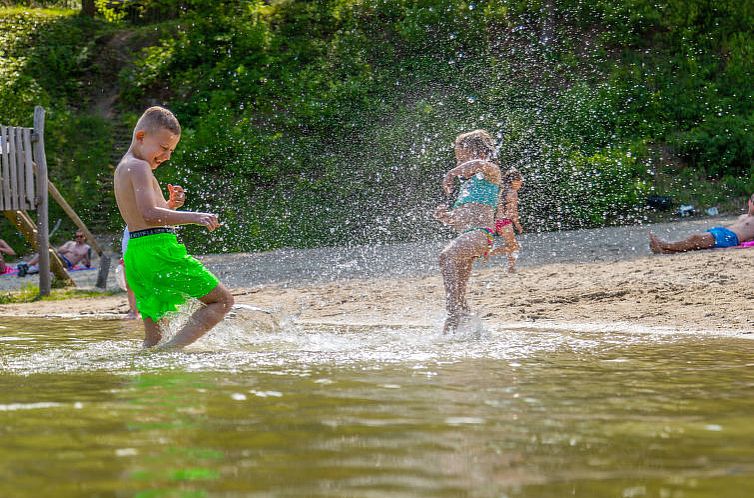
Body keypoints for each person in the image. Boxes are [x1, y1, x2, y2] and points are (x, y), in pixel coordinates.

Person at [114, 106, 234, 349]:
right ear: (141, 137)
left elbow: (143, 215)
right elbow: (149, 215)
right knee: (221, 301)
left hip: (137, 254)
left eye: (171, 151)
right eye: (164, 148)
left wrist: (170, 206)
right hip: (157, 249)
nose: (167, 156)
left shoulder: (125, 166)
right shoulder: (139, 167)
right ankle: (172, 352)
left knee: (153, 339)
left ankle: (154, 370)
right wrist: (196, 216)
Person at [434, 129, 504, 333]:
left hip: (481, 234)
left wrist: (451, 174)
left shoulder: (491, 172)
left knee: (446, 256)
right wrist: (446, 217)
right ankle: (469, 326)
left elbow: (479, 165)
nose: (458, 163)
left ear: (476, 152)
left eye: (461, 157)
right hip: (466, 235)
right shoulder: (468, 186)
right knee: (460, 291)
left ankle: (452, 313)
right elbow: (459, 221)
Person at [649, 193, 754, 253]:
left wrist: (739, 247)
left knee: (695, 239)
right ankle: (664, 250)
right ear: (749, 202)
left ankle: (665, 244)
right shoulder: (743, 217)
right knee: (695, 245)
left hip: (730, 237)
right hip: (722, 232)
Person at [487, 167, 524, 272]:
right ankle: (489, 252)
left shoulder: (502, 191)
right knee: (514, 246)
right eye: (519, 182)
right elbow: (513, 212)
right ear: (513, 181)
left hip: (498, 222)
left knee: (512, 245)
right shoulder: (513, 193)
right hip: (505, 223)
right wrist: (517, 225)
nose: (520, 185)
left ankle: (511, 267)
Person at [18, 230, 91, 276]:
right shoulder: (70, 243)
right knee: (45, 251)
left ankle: (29, 267)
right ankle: (28, 267)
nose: (78, 238)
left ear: (84, 237)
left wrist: (84, 261)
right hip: (61, 257)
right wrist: (68, 250)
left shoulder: (86, 248)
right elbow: (59, 250)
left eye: (81, 236)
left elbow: (87, 264)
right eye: (77, 236)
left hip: (67, 263)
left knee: (49, 256)